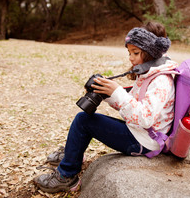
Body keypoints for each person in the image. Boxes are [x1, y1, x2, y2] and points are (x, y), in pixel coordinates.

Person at [33, 21, 178, 193]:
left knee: (83, 121)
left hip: (145, 140)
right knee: (85, 121)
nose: (130, 57)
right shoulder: (151, 72)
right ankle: (72, 155)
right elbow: (133, 107)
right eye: (129, 52)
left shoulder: (161, 80)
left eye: (135, 52)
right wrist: (107, 94)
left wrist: (117, 92)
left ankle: (66, 176)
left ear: (151, 53)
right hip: (140, 132)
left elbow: (145, 118)